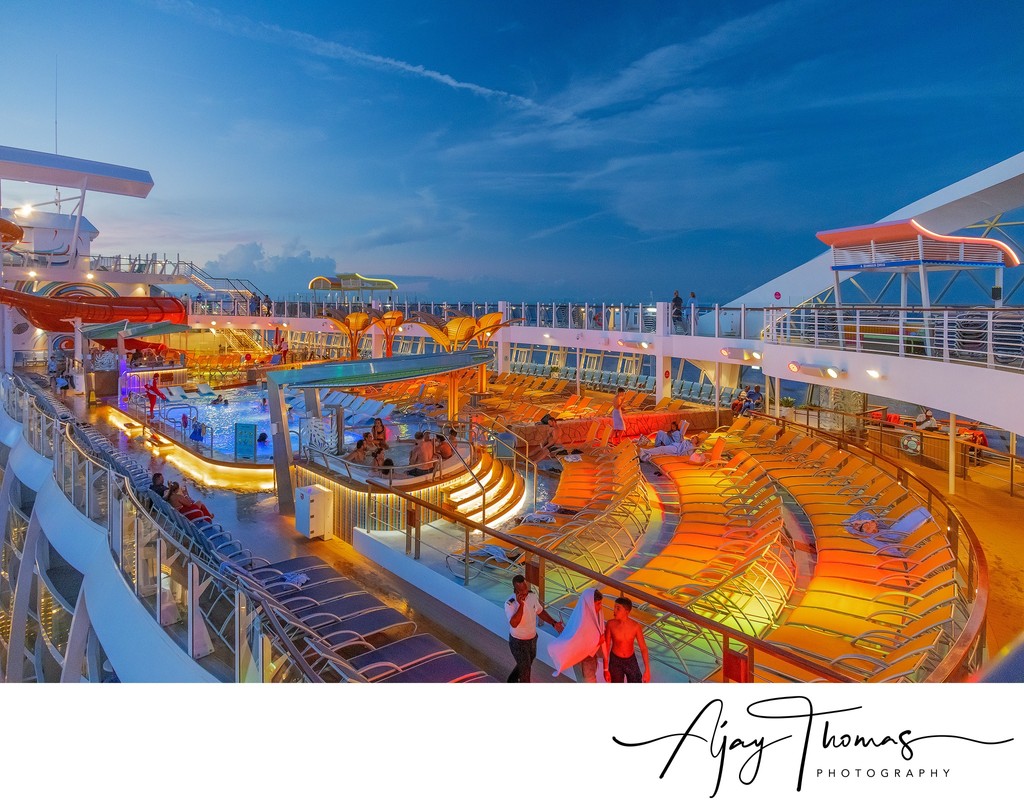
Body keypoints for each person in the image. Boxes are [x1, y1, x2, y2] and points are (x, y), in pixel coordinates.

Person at [505, 574, 563, 683]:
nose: (525, 592)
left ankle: (511, 680)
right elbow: (514, 623)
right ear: (515, 590)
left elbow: (540, 611)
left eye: (526, 588)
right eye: (521, 591)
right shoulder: (510, 603)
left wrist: (554, 623)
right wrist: (521, 605)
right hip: (518, 642)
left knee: (526, 664)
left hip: (532, 639)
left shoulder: (532, 596)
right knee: (526, 670)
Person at [603, 596, 650, 683]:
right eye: (614, 607)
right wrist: (605, 669)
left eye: (618, 608)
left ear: (626, 611)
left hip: (630, 660)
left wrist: (647, 671)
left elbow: (643, 648)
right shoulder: (610, 624)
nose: (614, 610)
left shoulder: (635, 626)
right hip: (615, 661)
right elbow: (606, 647)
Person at [578, 590, 608, 683]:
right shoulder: (582, 621)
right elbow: (581, 647)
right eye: (598, 604)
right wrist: (599, 641)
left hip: (590, 661)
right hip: (585, 663)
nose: (600, 607)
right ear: (590, 604)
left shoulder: (594, 617)